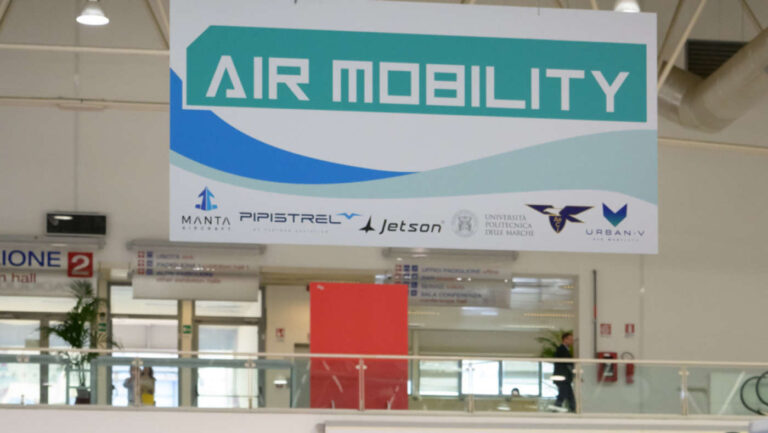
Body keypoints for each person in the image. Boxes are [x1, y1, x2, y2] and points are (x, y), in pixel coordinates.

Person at [552, 332, 575, 412]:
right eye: (570, 339)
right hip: (562, 377)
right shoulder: (561, 349)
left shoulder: (565, 350)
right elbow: (567, 363)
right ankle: (555, 409)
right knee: (563, 394)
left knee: (569, 395)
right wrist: (573, 372)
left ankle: (573, 410)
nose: (572, 341)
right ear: (565, 339)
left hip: (565, 378)